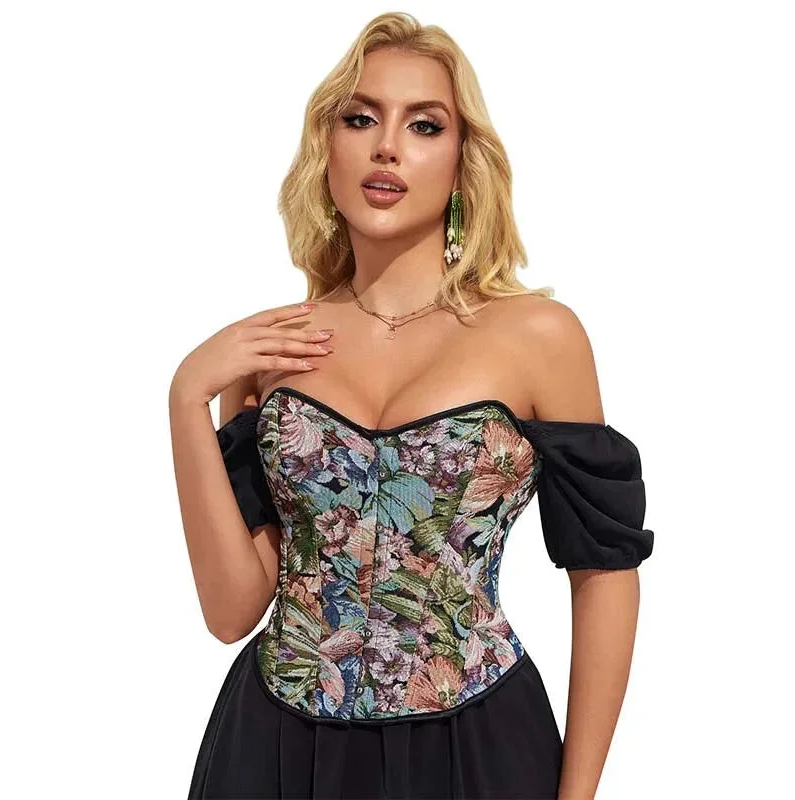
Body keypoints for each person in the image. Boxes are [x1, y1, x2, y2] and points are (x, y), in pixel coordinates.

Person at [170, 11, 654, 799]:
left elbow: (604, 574)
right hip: (275, 752)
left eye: (424, 125)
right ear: (326, 148)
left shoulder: (540, 337)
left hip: (476, 749)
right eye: (360, 119)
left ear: (463, 162)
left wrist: (580, 795)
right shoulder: (271, 350)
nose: (386, 146)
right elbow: (232, 611)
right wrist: (186, 396)